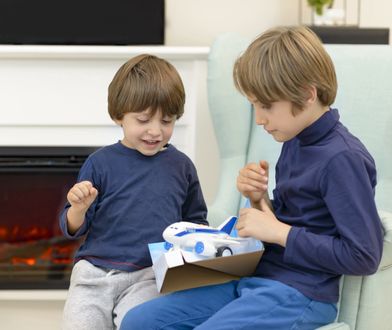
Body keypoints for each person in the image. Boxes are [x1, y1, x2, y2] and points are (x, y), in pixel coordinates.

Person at [119, 26, 384, 330]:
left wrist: (277, 231)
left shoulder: (342, 159)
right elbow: (297, 218)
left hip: (299, 294)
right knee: (139, 321)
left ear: (307, 94)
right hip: (256, 278)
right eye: (254, 105)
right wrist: (259, 198)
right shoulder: (295, 140)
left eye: (266, 106)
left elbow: (364, 256)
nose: (259, 119)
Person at [59, 54, 208, 330]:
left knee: (142, 324)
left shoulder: (182, 167)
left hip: (149, 275)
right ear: (119, 116)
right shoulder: (100, 163)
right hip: (94, 275)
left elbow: (196, 222)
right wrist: (78, 208)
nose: (155, 131)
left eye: (167, 121)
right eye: (143, 120)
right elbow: (74, 227)